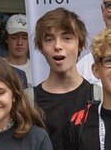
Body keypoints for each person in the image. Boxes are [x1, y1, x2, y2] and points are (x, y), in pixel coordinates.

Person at [32, 9, 96, 140]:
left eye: (67, 38)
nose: (58, 46)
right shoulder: (26, 102)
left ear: (80, 44)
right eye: (49, 39)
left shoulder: (99, 99)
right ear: (40, 47)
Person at [3, 13, 36, 85]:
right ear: (6, 39)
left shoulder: (37, 69)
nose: (19, 43)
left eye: (24, 38)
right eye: (14, 38)